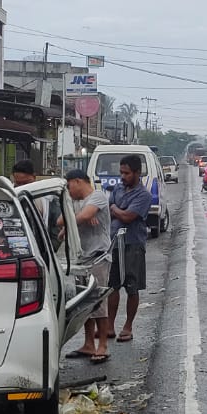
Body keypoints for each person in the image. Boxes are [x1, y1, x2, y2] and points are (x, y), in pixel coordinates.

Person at [63, 169, 113, 363]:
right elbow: (62, 220)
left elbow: (84, 216)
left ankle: (102, 345)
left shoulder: (98, 196)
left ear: (77, 181)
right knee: (85, 303)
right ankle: (88, 344)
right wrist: (76, 219)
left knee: (98, 301)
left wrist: (76, 220)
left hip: (98, 256)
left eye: (69, 186)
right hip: (82, 258)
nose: (68, 190)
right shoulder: (75, 202)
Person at [106, 154, 152, 343]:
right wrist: (118, 210)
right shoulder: (117, 188)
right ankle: (109, 325)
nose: (123, 177)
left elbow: (127, 216)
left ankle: (128, 326)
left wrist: (117, 210)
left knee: (132, 286)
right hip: (114, 243)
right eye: (121, 173)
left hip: (133, 244)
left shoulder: (144, 195)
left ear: (137, 173)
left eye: (126, 173)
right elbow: (110, 207)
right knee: (112, 285)